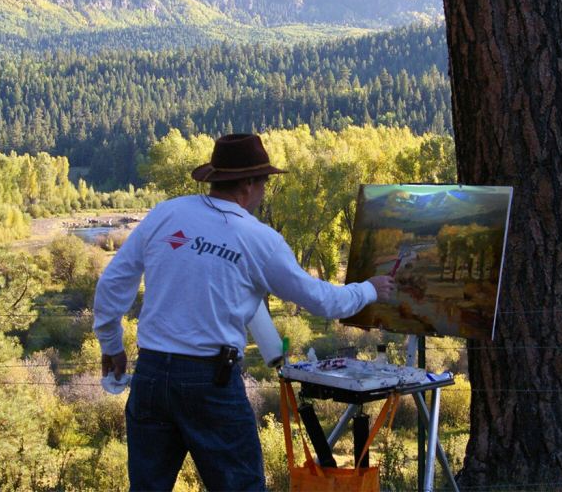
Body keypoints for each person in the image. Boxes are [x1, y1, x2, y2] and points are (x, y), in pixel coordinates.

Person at [92, 133, 396, 492]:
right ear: (249, 183)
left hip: (152, 376)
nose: (265, 190)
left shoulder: (167, 213)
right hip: (210, 380)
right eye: (265, 181)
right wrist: (369, 289)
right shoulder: (258, 239)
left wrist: (111, 346)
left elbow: (112, 284)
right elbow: (322, 301)